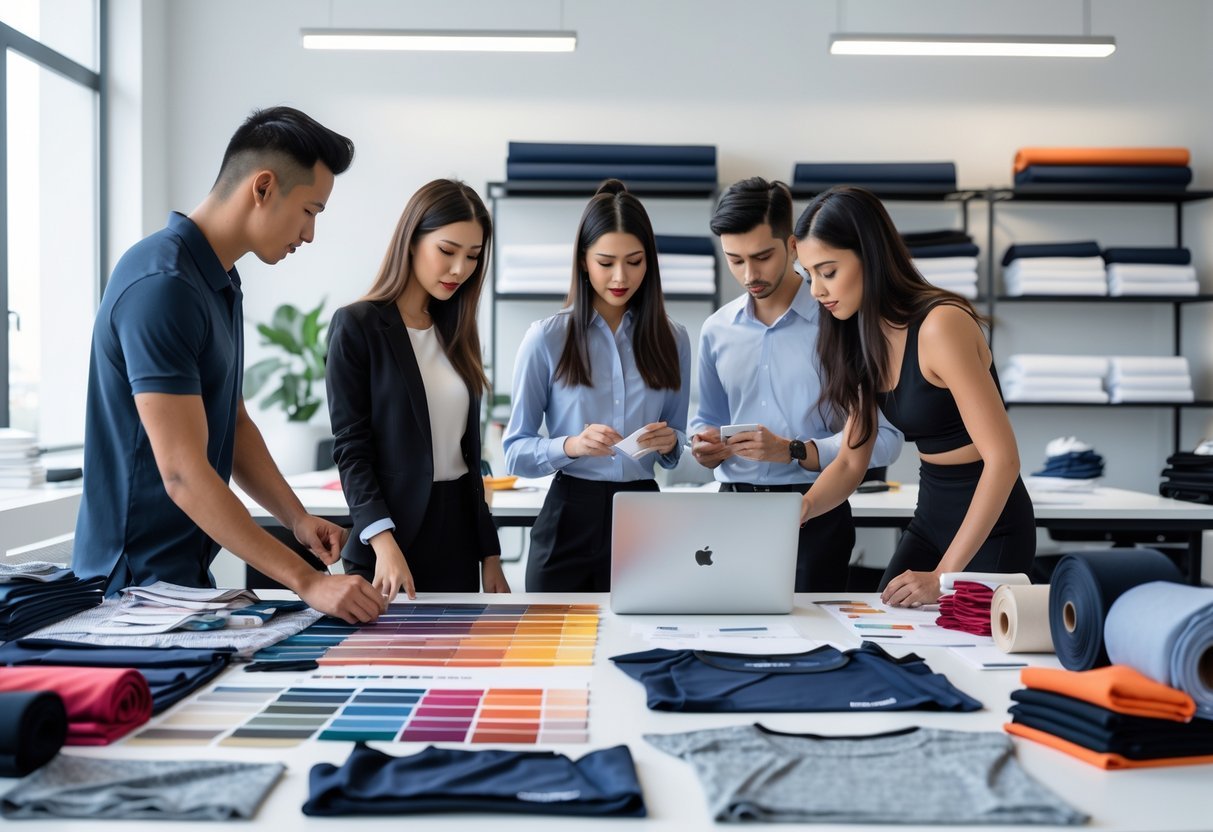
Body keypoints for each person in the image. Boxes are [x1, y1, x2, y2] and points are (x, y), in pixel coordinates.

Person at [73, 106, 384, 624]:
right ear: (263, 187)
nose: (310, 234)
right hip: (130, 594)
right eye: (310, 211)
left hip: (182, 585)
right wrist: (307, 581)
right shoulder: (163, 285)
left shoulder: (218, 281)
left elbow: (232, 424)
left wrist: (296, 519)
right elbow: (182, 473)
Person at [794, 185, 1035, 607]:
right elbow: (851, 460)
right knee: (877, 627)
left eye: (828, 272)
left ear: (870, 256)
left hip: (992, 528)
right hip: (930, 519)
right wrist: (804, 507)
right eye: (808, 274)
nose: (816, 289)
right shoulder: (860, 336)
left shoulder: (941, 325)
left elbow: (1003, 460)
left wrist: (943, 576)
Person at [691, 177, 903, 593]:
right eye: (735, 260)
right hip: (730, 511)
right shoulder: (716, 330)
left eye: (762, 256)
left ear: (792, 246)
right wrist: (703, 446)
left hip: (818, 510)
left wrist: (794, 450)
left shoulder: (841, 321)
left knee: (812, 629)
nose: (749, 274)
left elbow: (887, 440)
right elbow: (706, 420)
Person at [326, 179, 510, 601]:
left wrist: (489, 552)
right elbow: (351, 450)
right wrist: (383, 541)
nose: (460, 269)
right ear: (411, 241)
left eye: (473, 256)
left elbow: (468, 457)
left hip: (457, 539)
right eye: (447, 251)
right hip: (388, 542)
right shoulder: (357, 326)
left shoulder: (457, 331)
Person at [504, 179, 691, 592]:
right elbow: (514, 452)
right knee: (553, 633)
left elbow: (677, 441)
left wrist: (670, 442)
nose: (621, 276)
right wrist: (571, 445)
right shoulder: (546, 338)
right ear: (583, 262)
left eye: (635, 261)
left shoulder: (673, 339)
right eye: (606, 262)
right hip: (569, 514)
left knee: (645, 628)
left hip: (644, 517)